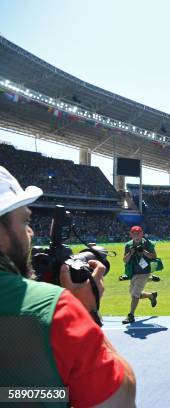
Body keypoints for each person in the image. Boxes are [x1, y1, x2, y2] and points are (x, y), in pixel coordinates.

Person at [0, 166, 136, 407]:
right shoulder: (51, 310)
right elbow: (119, 400)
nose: (30, 232)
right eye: (25, 221)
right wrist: (86, 311)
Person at [122, 225, 158, 324]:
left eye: (138, 233)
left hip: (144, 272)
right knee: (134, 294)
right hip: (133, 273)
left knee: (135, 294)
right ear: (130, 234)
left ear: (142, 233)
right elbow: (125, 260)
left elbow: (154, 256)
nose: (136, 235)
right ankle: (151, 296)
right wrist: (131, 253)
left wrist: (144, 252)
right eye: (134, 233)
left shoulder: (148, 243)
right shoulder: (128, 245)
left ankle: (131, 315)